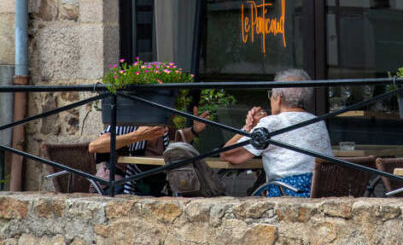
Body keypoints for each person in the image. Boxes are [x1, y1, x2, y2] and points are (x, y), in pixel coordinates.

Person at [220, 68, 332, 197]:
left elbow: (228, 155)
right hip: (320, 194)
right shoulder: (317, 122)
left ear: (278, 97)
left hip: (288, 195)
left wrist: (247, 129)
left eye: (270, 94)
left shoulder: (271, 123)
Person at [88, 108, 208, 195]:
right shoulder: (126, 123)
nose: (174, 115)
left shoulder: (163, 130)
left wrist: (193, 131)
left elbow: (177, 139)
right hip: (116, 186)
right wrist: (137, 136)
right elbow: (94, 146)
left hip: (148, 187)